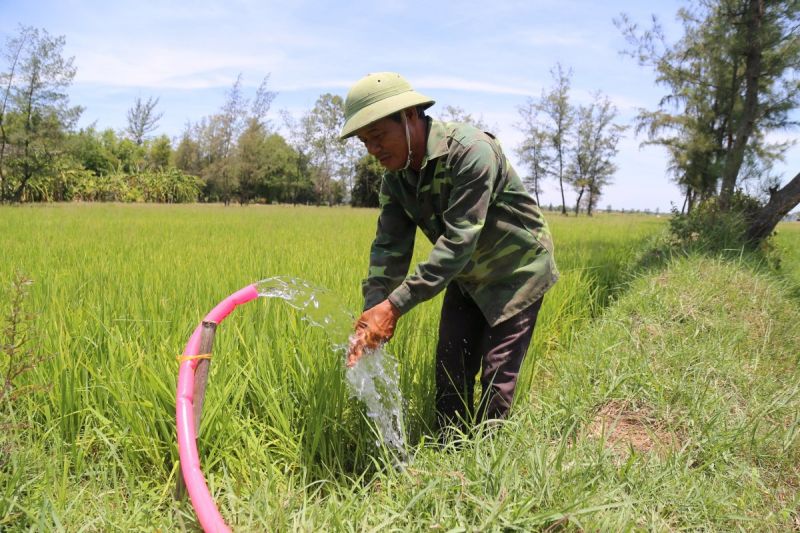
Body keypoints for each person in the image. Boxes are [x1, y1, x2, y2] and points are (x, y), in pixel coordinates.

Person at [342, 72, 558, 432]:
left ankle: (492, 471)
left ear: (410, 116)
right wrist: (372, 313)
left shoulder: (471, 152)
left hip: (516, 272)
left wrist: (393, 308)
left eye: (378, 136)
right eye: (365, 141)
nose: (373, 150)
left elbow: (460, 240)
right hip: (466, 276)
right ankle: (449, 462)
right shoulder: (395, 180)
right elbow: (389, 247)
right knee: (450, 372)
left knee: (495, 382)